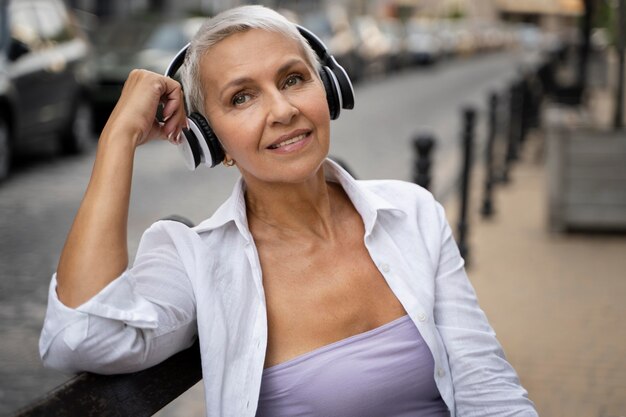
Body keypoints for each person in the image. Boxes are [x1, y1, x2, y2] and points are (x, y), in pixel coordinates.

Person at [39, 5, 537, 417]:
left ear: (330, 91)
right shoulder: (197, 258)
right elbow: (79, 336)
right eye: (242, 97)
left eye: (294, 79)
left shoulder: (411, 212)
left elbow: (487, 389)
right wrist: (118, 136)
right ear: (212, 141)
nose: (281, 110)